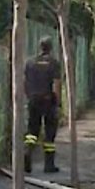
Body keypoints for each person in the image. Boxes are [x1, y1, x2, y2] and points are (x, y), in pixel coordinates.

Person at [24, 37, 62, 173]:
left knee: (32, 131)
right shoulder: (54, 63)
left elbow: (24, 81)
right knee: (49, 132)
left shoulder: (29, 62)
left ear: (39, 47)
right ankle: (49, 164)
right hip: (48, 100)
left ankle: (27, 152)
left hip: (33, 99)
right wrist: (58, 102)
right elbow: (56, 84)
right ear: (50, 48)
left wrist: (28, 96)